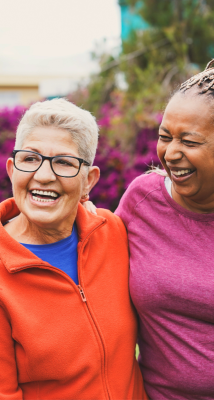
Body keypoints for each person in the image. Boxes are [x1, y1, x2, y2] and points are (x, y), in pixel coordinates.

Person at [0, 99, 147, 399]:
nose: (43, 176)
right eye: (30, 159)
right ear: (11, 170)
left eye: (64, 163)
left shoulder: (112, 231)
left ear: (89, 181)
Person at [84, 60, 214, 399]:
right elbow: (84, 249)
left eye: (189, 141)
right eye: (165, 137)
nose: (170, 153)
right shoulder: (143, 200)